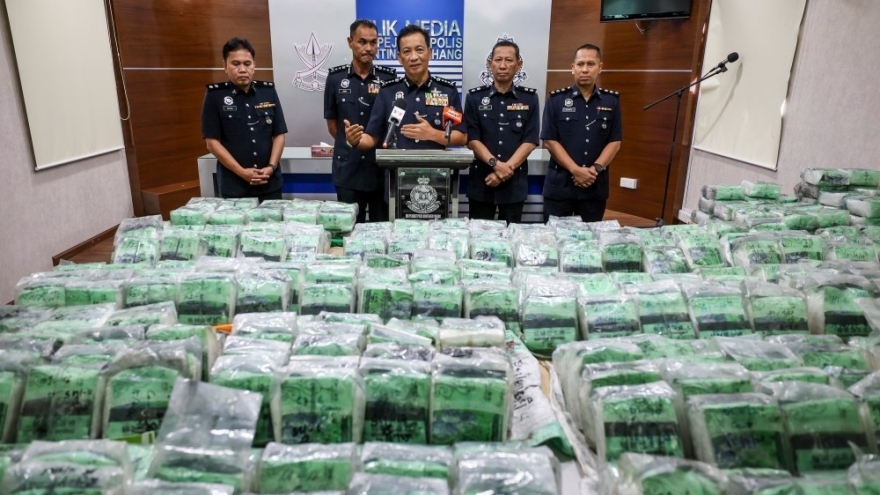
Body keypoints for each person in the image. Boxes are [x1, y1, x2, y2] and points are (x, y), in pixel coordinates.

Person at [345, 24, 466, 151]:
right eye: (407, 51)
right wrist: (355, 140)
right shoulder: (387, 91)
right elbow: (371, 138)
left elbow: (462, 136)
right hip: (396, 163)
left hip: (436, 163)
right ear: (399, 58)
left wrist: (433, 134)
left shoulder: (447, 91)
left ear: (429, 53)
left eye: (419, 50)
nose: (413, 57)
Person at [324, 20, 397, 223]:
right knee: (348, 229)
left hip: (379, 169)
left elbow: (391, 123)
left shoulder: (388, 79)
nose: (368, 48)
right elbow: (332, 124)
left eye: (373, 42)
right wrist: (351, 141)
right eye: (362, 42)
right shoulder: (335, 78)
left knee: (381, 229)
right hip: (348, 169)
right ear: (350, 42)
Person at [541, 43, 622, 222]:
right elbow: (549, 141)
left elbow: (615, 141)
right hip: (560, 186)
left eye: (590, 64)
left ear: (600, 67)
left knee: (590, 237)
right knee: (554, 235)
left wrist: (594, 170)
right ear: (573, 68)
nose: (585, 69)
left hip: (594, 186)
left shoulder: (611, 101)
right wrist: (575, 170)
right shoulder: (556, 99)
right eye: (580, 64)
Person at [201, 37, 287, 202]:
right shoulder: (215, 96)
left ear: (254, 65)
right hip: (235, 186)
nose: (242, 69)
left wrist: (271, 167)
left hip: (269, 183)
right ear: (225, 66)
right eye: (235, 64)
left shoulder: (268, 92)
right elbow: (212, 142)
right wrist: (241, 172)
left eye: (247, 64)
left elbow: (279, 135)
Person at [464, 40, 540, 224]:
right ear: (490, 63)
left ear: (519, 64)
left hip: (514, 184)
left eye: (509, 60)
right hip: (482, 182)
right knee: (480, 237)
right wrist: (495, 164)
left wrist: (503, 171)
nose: (503, 65)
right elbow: (472, 139)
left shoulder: (530, 98)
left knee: (512, 237)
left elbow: (530, 141)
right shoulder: (474, 98)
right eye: (498, 60)